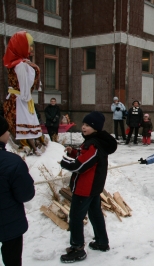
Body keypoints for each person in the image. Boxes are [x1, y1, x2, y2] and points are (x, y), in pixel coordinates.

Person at [60, 111, 118, 263]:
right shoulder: (93, 141)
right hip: (93, 188)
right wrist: (73, 152)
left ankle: (77, 248)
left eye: (88, 125)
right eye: (83, 124)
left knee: (76, 218)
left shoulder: (94, 144)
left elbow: (82, 165)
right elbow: (85, 157)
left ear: (96, 128)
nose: (84, 127)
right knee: (95, 214)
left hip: (85, 188)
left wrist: (64, 163)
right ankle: (101, 242)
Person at [0, 116, 35, 266]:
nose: (9, 134)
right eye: (7, 131)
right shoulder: (12, 162)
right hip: (8, 221)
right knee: (12, 259)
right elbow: (25, 194)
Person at [3, 31, 43, 155]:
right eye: (28, 45)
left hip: (17, 99)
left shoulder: (17, 64)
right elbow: (25, 88)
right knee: (21, 122)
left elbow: (25, 87)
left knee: (20, 122)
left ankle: (31, 146)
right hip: (20, 99)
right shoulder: (21, 65)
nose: (31, 48)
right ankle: (30, 146)